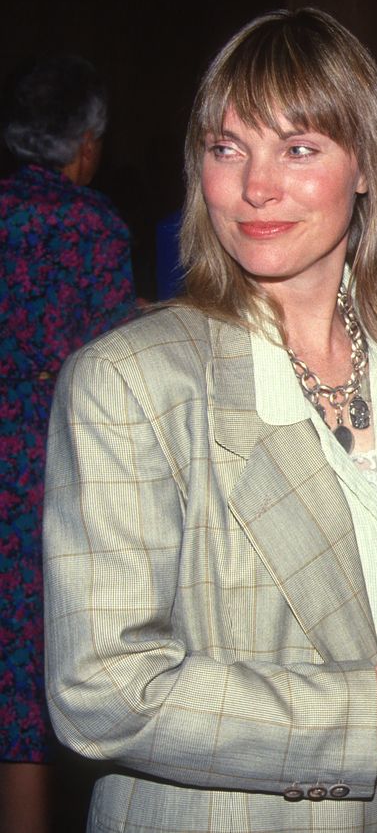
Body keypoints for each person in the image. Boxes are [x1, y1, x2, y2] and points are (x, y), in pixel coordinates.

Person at [44, 9, 377, 833]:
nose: (255, 186)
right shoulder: (130, 382)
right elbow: (100, 686)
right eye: (226, 148)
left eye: (299, 148)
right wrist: (355, 713)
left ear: (368, 167)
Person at [0, 55, 136, 833]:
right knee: (36, 684)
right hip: (46, 477)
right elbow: (102, 357)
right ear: (86, 143)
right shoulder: (93, 227)